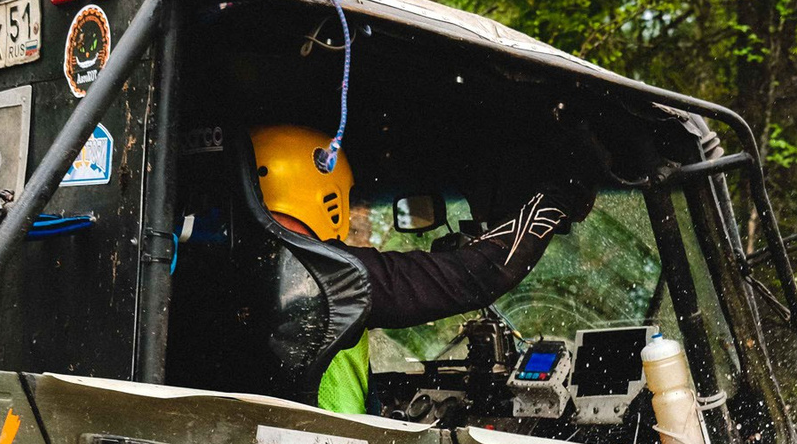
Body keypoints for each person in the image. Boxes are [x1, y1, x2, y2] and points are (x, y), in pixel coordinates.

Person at [248, 125, 590, 414]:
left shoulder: (226, 267)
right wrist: (557, 199)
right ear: (325, 192)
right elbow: (476, 274)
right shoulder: (325, 274)